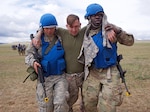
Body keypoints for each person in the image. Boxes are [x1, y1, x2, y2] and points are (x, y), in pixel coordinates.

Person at [77, 3, 134, 112]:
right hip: (92, 71)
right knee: (89, 103)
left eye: (100, 14)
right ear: (88, 17)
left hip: (110, 72)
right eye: (94, 15)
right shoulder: (85, 32)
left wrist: (118, 31)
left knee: (108, 105)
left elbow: (130, 41)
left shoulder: (111, 28)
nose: (98, 17)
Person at [34, 14, 86, 112]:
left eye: (76, 26)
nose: (74, 30)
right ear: (67, 26)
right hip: (50, 77)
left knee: (63, 102)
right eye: (71, 27)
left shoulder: (62, 36)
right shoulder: (42, 39)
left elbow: (96, 24)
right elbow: (30, 53)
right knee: (49, 105)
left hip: (68, 76)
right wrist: (38, 36)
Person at [25, 13, 69, 112]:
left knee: (60, 103)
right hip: (44, 78)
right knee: (45, 105)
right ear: (42, 28)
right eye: (46, 28)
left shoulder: (61, 37)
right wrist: (33, 62)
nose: (49, 31)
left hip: (60, 77)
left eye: (52, 28)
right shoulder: (37, 41)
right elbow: (28, 55)